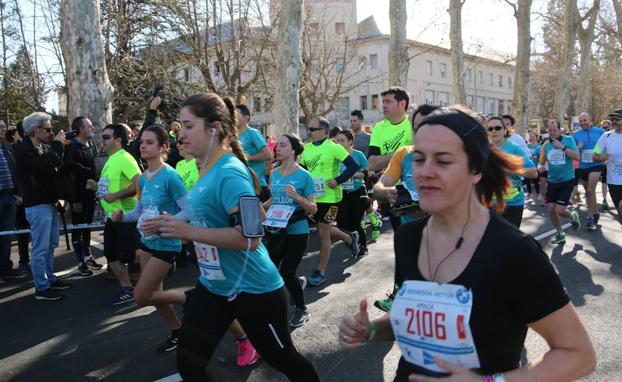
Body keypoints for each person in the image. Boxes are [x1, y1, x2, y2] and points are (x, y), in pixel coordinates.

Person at [338, 107, 596, 382]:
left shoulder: (515, 253)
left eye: (443, 161)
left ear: (476, 169)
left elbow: (578, 355)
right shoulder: (408, 238)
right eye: (419, 158)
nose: (424, 172)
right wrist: (371, 330)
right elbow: (418, 318)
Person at [154, 92, 319, 381]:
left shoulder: (230, 172)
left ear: (214, 127)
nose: (182, 134)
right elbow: (211, 212)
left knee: (282, 358)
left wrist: (189, 232)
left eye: (189, 125)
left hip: (253, 289)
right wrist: (170, 222)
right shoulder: (205, 168)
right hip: (214, 286)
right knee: (189, 365)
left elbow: (251, 237)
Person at [111, 125, 188, 352]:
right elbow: (140, 211)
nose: (143, 146)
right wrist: (122, 216)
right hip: (146, 242)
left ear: (163, 147)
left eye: (149, 142)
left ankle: (193, 297)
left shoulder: (171, 176)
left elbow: (189, 210)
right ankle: (178, 330)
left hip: (166, 243)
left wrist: (165, 222)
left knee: (142, 295)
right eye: (142, 142)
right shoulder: (143, 179)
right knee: (155, 296)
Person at [371, 105, 439, 313]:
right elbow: (381, 184)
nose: (422, 132)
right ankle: (399, 298)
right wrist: (384, 192)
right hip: (411, 221)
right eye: (417, 127)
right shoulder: (404, 154)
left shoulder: (457, 153)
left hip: (447, 229)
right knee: (407, 260)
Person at [14, 112, 72, 300]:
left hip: (49, 202)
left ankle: (50, 278)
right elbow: (42, 166)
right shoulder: (23, 150)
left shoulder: (41, 148)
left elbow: (54, 164)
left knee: (51, 243)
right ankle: (41, 287)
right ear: (35, 130)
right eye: (47, 130)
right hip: (36, 204)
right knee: (40, 247)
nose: (51, 133)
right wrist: (56, 144)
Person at [264, 133, 317, 327]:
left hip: (297, 231)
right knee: (269, 270)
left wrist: (298, 198)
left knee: (286, 273)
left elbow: (313, 207)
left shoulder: (304, 176)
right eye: (277, 146)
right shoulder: (275, 173)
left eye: (283, 146)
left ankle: (302, 308)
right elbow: (274, 200)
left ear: (293, 150)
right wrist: (262, 207)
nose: (277, 149)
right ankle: (291, 289)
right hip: (276, 231)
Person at [300, 116, 358, 286]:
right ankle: (348, 238)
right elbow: (303, 170)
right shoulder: (306, 149)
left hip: (331, 198)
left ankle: (321, 271)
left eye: (312, 129)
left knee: (322, 233)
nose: (309, 132)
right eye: (308, 129)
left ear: (323, 131)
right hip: (312, 197)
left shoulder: (334, 148)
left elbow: (353, 166)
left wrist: (337, 180)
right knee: (323, 229)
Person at [99, 123, 142, 305]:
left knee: (130, 255)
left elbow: (139, 184)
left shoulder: (125, 158)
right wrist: (98, 188)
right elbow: (111, 185)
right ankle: (127, 289)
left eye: (107, 137)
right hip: (112, 217)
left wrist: (116, 195)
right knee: (111, 255)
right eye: (102, 136)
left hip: (126, 216)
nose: (102, 140)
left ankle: (162, 260)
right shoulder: (110, 159)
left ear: (118, 140)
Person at [368, 86, 413, 231]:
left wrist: (385, 158)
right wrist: (402, 153)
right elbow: (372, 163)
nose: (383, 105)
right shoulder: (379, 127)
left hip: (415, 188)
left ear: (402, 104)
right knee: (400, 236)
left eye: (388, 102)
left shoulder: (413, 124)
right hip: (392, 190)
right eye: (383, 102)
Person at [64, 116, 102, 276]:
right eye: (90, 126)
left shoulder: (91, 145)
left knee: (87, 227)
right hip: (78, 198)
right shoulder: (72, 148)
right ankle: (81, 262)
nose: (93, 128)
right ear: (80, 129)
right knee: (78, 229)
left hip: (90, 196)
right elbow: (68, 176)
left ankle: (88, 256)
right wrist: (74, 200)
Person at [486, 116, 537, 228]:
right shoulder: (484, 150)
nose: (494, 131)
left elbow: (534, 173)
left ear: (505, 130)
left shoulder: (514, 149)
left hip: (512, 204)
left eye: (497, 128)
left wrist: (510, 170)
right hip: (490, 204)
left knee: (509, 242)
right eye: (490, 129)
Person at [539, 119, 581, 245]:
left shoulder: (569, 140)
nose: (552, 133)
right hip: (553, 181)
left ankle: (572, 216)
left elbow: (577, 156)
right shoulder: (546, 145)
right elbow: (541, 162)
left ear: (560, 129)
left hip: (567, 180)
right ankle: (560, 233)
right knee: (551, 209)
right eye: (550, 130)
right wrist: (540, 167)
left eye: (555, 130)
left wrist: (562, 147)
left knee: (559, 209)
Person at [332, 129, 369, 258]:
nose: (339, 143)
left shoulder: (358, 155)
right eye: (337, 140)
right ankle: (352, 240)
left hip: (357, 192)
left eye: (342, 140)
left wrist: (350, 174)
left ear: (350, 141)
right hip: (342, 192)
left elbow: (366, 173)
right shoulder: (335, 156)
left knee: (356, 221)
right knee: (342, 223)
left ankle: (363, 247)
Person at [0, 120, 26, 282]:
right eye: (0, 126)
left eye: (3, 126)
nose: (3, 128)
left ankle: (5, 268)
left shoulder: (6, 148)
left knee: (6, 236)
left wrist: (19, 195)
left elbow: (16, 173)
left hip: (9, 197)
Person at [572, 112, 605, 229]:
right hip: (583, 166)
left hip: (596, 164)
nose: (582, 123)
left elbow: (605, 146)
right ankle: (595, 211)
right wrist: (578, 148)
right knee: (589, 192)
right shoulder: (575, 134)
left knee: (590, 190)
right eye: (580, 121)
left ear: (590, 119)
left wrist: (599, 153)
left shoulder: (600, 132)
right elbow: (572, 151)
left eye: (584, 120)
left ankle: (590, 216)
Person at [236, 104, 272, 201]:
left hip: (257, 186)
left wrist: (248, 158)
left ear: (246, 117)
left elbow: (268, 154)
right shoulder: (232, 136)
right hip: (240, 185)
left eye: (236, 114)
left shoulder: (253, 133)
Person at [594, 108, 622, 224]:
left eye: (617, 119)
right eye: (613, 119)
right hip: (614, 181)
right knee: (620, 212)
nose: (614, 122)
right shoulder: (606, 136)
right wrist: (602, 157)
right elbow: (595, 155)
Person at [526, 132, 542, 201]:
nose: (532, 138)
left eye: (533, 136)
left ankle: (538, 193)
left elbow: (541, 156)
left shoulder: (539, 146)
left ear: (536, 137)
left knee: (536, 180)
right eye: (531, 136)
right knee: (527, 180)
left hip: (536, 165)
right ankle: (529, 193)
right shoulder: (527, 146)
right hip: (527, 165)